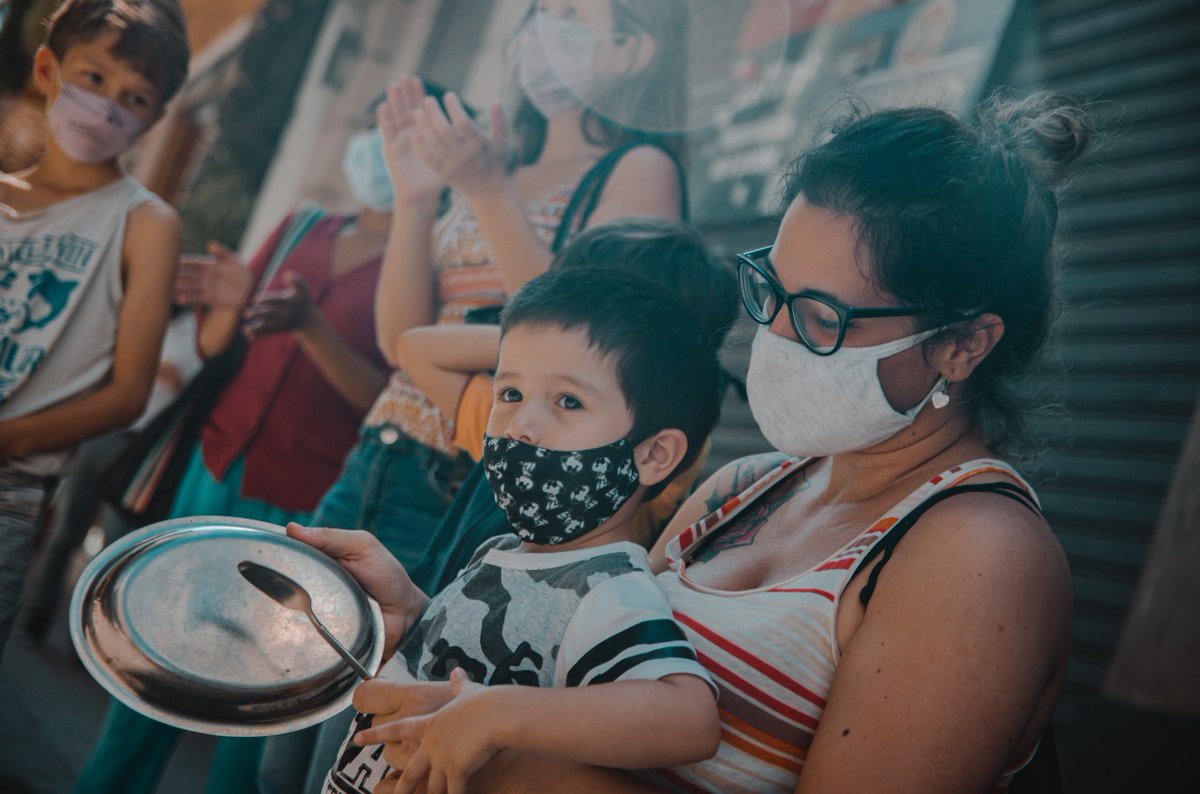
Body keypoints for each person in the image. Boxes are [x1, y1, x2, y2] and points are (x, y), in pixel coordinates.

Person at [302, 89, 1094, 793]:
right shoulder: (743, 490)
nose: (770, 336)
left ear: (963, 344)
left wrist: (519, 765)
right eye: (771, 292)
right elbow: (578, 682)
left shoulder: (979, 558)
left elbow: (534, 738)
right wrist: (431, 628)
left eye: (820, 319)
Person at [75, 101, 397, 794]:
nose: (376, 145)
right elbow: (223, 340)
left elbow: (389, 403)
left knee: (261, 694)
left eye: (398, 132)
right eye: (372, 124)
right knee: (156, 652)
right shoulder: (304, 226)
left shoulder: (416, 278)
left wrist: (312, 326)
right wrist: (227, 302)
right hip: (214, 465)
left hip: (304, 508)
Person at [314, 0, 691, 581]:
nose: (543, 28)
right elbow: (398, 342)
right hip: (383, 449)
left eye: (571, 14)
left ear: (631, 50)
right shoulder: (500, 162)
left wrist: (487, 191)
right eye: (540, 10)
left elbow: (586, 344)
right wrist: (416, 198)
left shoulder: (639, 170)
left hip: (475, 476)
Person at [318, 266, 727, 794]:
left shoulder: (607, 591)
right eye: (509, 393)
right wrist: (410, 610)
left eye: (568, 402)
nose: (519, 426)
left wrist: (497, 715)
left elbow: (688, 719)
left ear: (652, 455)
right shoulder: (501, 551)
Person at [0, 0, 188, 660]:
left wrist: (11, 438)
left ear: (155, 118)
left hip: (13, 486)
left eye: (134, 97)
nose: (107, 106)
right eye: (95, 77)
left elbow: (129, 390)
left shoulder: (145, 222)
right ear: (48, 67)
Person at [393, 218, 737, 554]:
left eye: (570, 402)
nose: (520, 429)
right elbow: (413, 349)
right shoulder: (511, 415)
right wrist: (535, 343)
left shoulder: (653, 442)